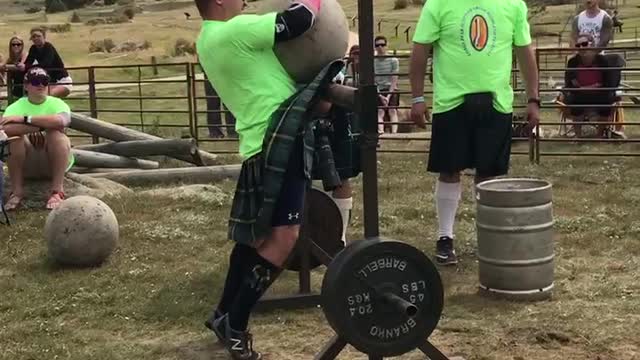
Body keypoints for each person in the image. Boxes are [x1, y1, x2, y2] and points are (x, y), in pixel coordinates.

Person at [193, 0, 333, 358]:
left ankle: (223, 312)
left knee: (254, 238)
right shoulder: (236, 30)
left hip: (261, 140)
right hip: (277, 139)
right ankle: (236, 324)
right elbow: (300, 20)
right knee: (285, 238)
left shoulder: (207, 39)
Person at [409, 0, 540, 265]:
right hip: (451, 103)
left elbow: (525, 52)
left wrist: (533, 99)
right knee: (449, 170)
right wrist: (417, 98)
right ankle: (445, 238)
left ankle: (489, 237)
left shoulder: (513, 5)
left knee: (489, 174)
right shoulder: (438, 4)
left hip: (496, 103)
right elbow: (420, 49)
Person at [0, 67, 74, 211]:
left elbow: (62, 121)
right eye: (35, 81)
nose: (40, 85)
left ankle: (57, 191)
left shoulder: (57, 103)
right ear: (26, 86)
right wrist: (43, 127)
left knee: (57, 136)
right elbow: (5, 129)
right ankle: (16, 191)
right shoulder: (15, 106)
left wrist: (25, 119)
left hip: (51, 164)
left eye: (44, 81)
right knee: (14, 139)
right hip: (26, 164)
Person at [563, 36, 618, 138]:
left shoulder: (602, 61)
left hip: (600, 93)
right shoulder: (572, 62)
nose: (581, 48)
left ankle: (599, 136)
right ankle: (578, 136)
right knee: (575, 102)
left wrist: (596, 87)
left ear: (591, 45)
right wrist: (584, 88)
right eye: (578, 45)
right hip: (580, 93)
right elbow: (570, 82)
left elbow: (609, 81)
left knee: (606, 102)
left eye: (584, 44)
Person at [25, 27, 73, 98]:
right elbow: (28, 62)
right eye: (33, 36)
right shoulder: (33, 49)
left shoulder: (48, 47)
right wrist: (21, 66)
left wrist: (29, 67)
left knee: (46, 96)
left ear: (44, 37)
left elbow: (46, 63)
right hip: (50, 82)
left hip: (62, 81)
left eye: (38, 36)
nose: (36, 38)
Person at [373, 35, 400, 134]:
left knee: (392, 110)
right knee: (380, 111)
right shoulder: (372, 61)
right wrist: (380, 95)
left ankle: (394, 134)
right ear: (375, 47)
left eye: (382, 45)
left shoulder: (393, 60)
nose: (380, 47)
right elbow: (373, 80)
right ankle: (381, 132)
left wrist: (388, 96)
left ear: (386, 45)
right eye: (377, 45)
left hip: (391, 88)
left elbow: (394, 80)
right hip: (378, 89)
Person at [0, 36, 28, 101]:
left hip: (26, 87)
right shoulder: (11, 58)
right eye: (13, 44)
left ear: (22, 46)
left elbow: (20, 66)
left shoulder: (25, 54)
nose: (16, 46)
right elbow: (3, 65)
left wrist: (8, 67)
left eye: (18, 44)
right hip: (16, 88)